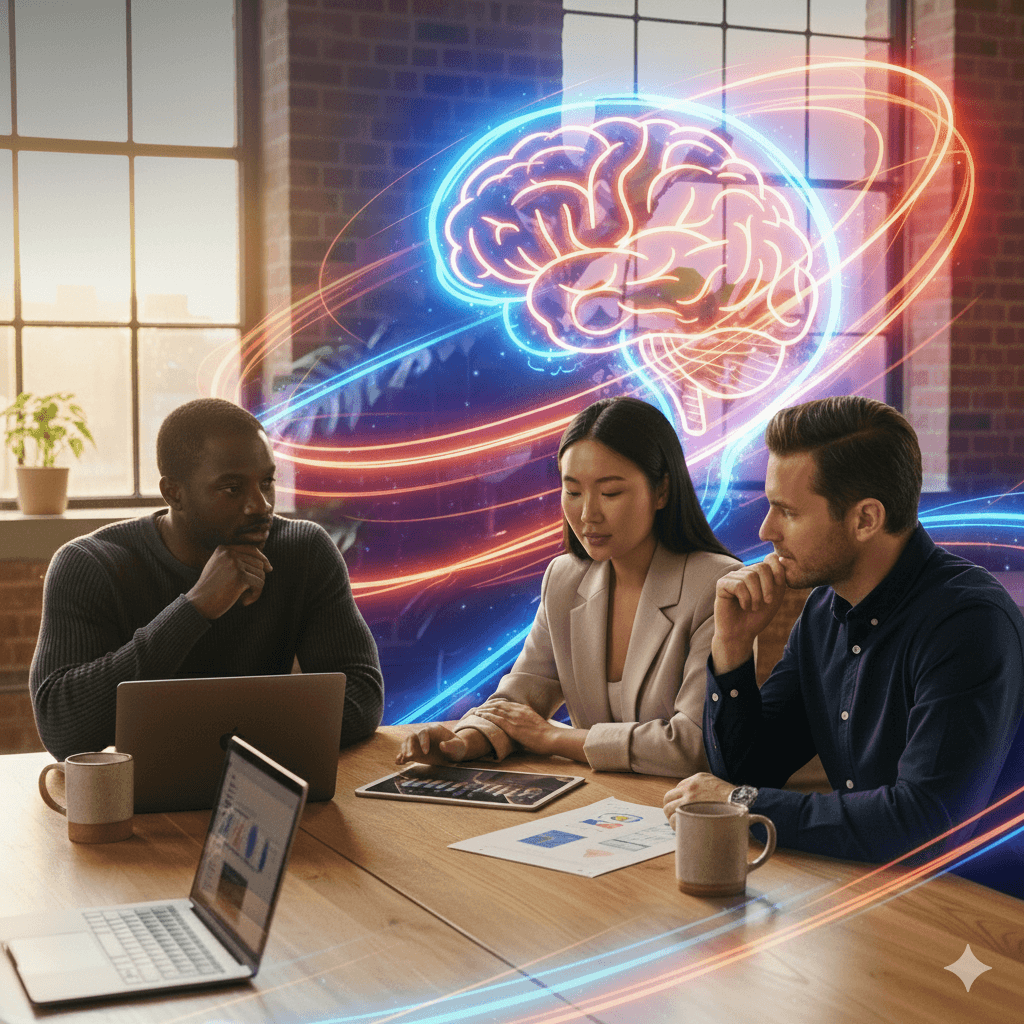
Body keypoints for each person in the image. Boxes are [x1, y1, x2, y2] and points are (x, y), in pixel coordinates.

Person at [662, 396, 1024, 867]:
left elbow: (924, 823)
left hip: (978, 916)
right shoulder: (823, 611)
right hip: (869, 890)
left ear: (865, 520)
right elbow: (753, 770)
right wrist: (731, 648)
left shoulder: (968, 624)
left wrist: (744, 803)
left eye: (787, 511)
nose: (766, 528)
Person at [396, 396, 741, 776]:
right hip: (599, 807)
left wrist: (555, 739)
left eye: (610, 493)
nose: (588, 513)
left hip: (683, 809)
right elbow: (521, 698)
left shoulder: (715, 585)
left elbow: (694, 744)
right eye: (573, 492)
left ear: (661, 491)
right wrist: (460, 743)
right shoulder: (565, 577)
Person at [30, 398, 384, 761]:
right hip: (132, 804)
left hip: (262, 792)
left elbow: (361, 697)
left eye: (266, 482)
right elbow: (62, 728)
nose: (260, 505)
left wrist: (209, 732)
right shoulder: (89, 564)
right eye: (233, 489)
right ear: (174, 493)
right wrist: (195, 608)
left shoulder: (303, 551)